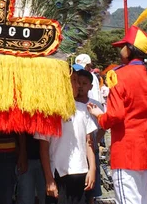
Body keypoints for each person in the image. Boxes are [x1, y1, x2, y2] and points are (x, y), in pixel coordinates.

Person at [88, 6, 147, 204]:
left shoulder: (119, 75)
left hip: (127, 152)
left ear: (129, 50)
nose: (119, 49)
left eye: (123, 46)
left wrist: (99, 115)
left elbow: (115, 115)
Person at [36, 70, 97, 204]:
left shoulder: (83, 109)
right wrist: (49, 180)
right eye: (74, 81)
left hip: (81, 172)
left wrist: (92, 168)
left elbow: (89, 142)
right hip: (59, 173)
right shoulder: (49, 112)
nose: (78, 85)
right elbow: (43, 148)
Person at [74, 68, 104, 204]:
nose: (80, 86)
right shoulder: (71, 105)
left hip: (91, 150)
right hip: (75, 151)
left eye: (84, 83)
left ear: (91, 86)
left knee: (91, 188)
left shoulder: (95, 105)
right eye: (78, 82)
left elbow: (103, 125)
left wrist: (96, 141)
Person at [16, 134, 46, 204]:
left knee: (47, 197)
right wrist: (22, 153)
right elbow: (20, 128)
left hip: (48, 159)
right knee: (25, 197)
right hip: (27, 157)